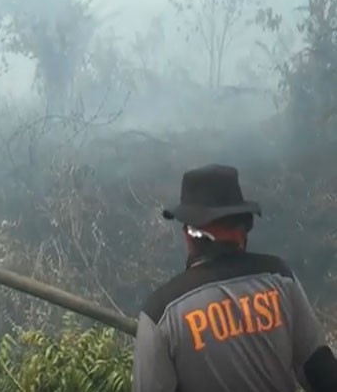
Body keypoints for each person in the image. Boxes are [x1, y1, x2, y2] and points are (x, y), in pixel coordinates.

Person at [132, 164, 337, 392]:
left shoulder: (161, 312)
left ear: (189, 236)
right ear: (243, 229)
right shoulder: (279, 279)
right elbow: (320, 369)